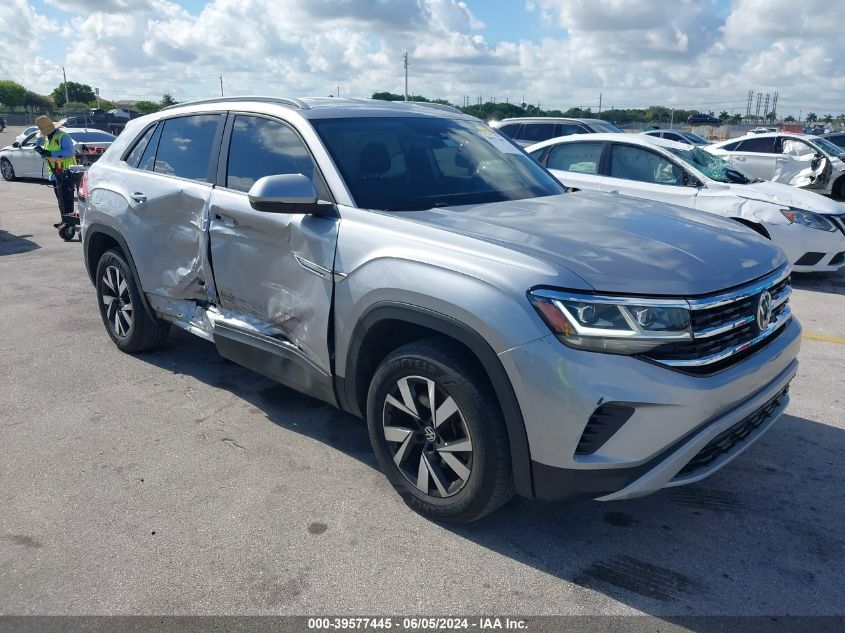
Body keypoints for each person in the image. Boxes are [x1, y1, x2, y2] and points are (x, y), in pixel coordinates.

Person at [33, 115, 77, 227]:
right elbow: (48, 155)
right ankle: (64, 220)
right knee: (60, 199)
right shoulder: (48, 139)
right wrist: (43, 153)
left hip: (65, 172)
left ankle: (69, 223)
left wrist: (50, 153)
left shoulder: (63, 137)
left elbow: (69, 152)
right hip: (55, 173)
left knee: (67, 199)